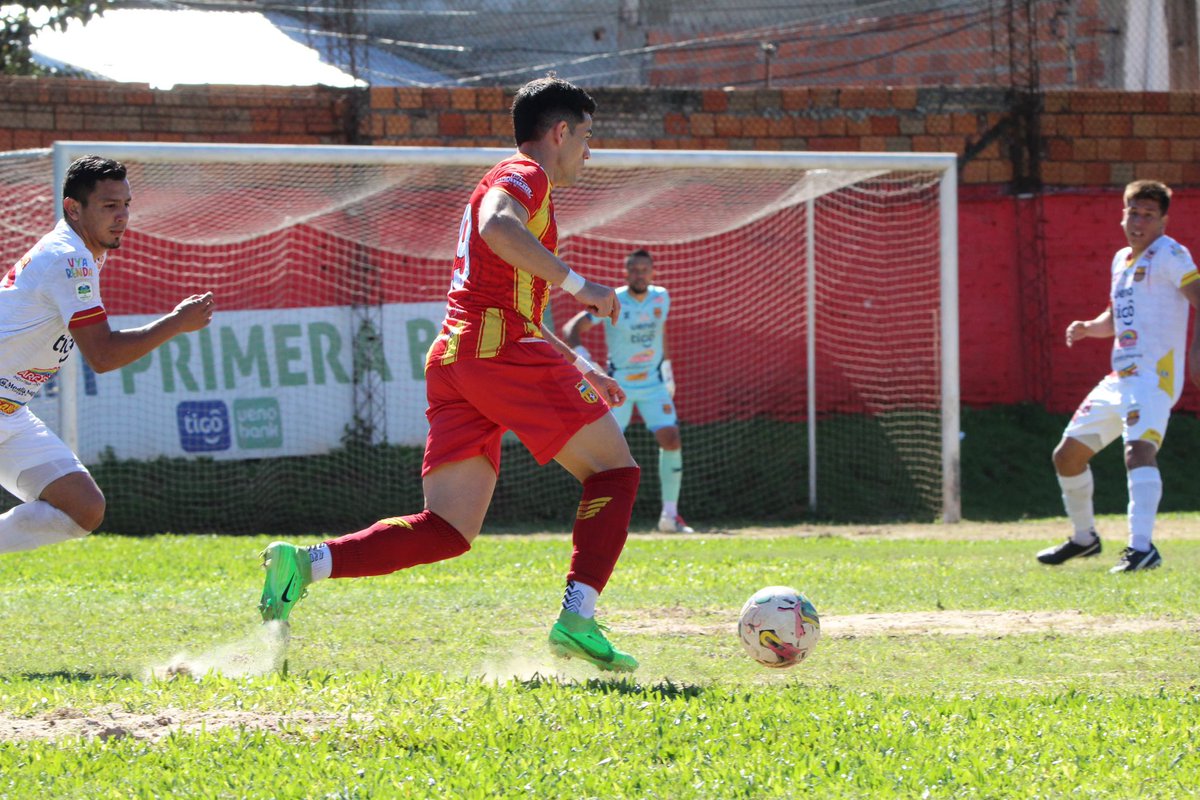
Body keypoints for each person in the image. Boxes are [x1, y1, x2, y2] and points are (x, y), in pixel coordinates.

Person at [258, 76, 642, 673]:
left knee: (447, 530)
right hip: (498, 354)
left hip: (458, 359)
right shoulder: (525, 175)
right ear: (560, 132)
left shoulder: (516, 183)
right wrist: (580, 284)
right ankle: (578, 616)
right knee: (614, 473)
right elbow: (496, 225)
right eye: (587, 137)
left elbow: (506, 293)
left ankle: (303, 564)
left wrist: (581, 362)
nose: (589, 152)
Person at [0, 155, 215, 553]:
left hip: (10, 409)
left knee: (82, 508)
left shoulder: (85, 251)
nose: (122, 216)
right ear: (73, 209)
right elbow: (102, 355)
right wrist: (176, 322)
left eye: (126, 204)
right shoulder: (71, 257)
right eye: (109, 206)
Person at [1036, 180, 1200, 573]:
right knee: (1067, 456)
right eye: (1133, 213)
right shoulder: (1121, 260)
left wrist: (1196, 350)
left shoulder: (1171, 254)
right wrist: (1090, 327)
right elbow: (1118, 315)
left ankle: (1141, 548)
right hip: (1120, 377)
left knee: (1138, 451)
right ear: (1123, 215)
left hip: (1154, 376)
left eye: (1148, 215)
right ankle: (1084, 538)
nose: (1139, 221)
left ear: (1163, 221)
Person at [563, 248, 693, 533]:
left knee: (671, 439)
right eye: (634, 269)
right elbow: (571, 329)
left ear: (653, 272)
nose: (640, 274)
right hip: (617, 385)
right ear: (626, 272)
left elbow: (661, 332)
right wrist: (587, 363)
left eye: (644, 269)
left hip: (654, 383)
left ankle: (670, 517)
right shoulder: (613, 300)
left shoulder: (662, 296)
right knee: (605, 453)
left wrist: (668, 371)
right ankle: (597, 517)